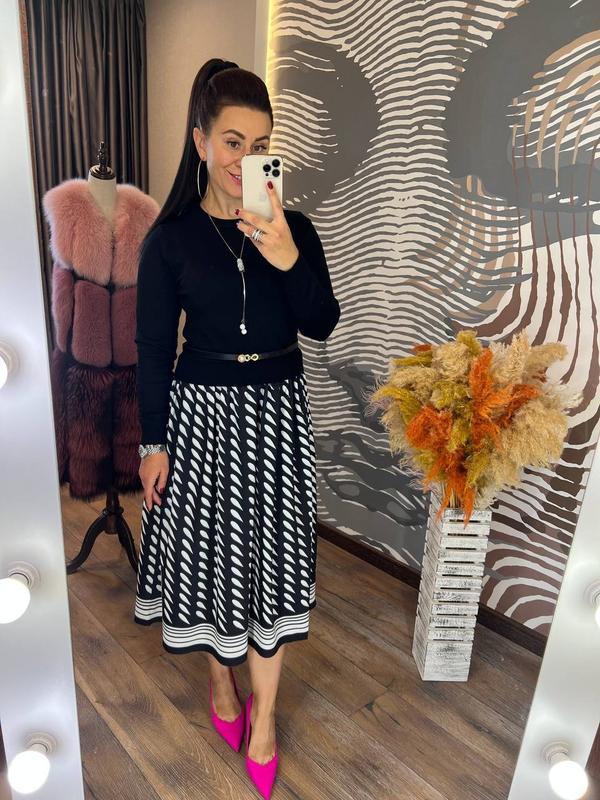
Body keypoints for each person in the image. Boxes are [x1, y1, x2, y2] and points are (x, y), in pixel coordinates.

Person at [132, 58, 341, 799]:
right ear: (200, 141)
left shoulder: (295, 229)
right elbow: (153, 348)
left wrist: (285, 254)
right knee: (214, 565)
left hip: (278, 414)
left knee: (273, 567)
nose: (245, 160)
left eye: (260, 146)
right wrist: (152, 443)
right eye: (231, 142)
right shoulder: (171, 240)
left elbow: (321, 321)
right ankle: (221, 685)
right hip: (201, 418)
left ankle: (265, 720)